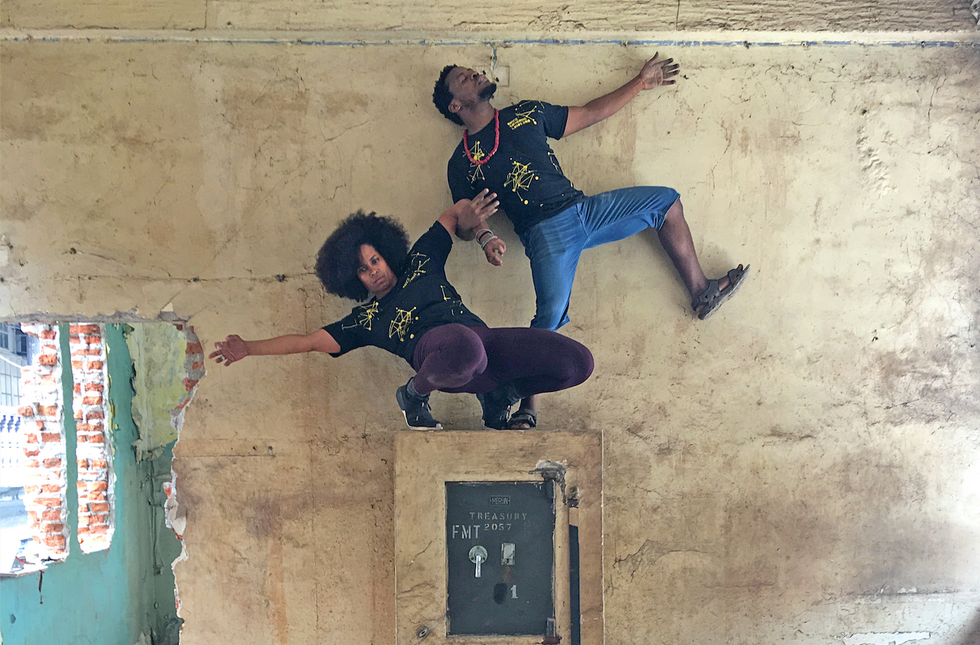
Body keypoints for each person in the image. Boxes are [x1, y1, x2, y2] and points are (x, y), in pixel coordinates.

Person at [432, 53, 749, 429]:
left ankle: (702, 291)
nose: (476, 73)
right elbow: (467, 224)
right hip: (544, 233)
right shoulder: (463, 162)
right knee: (547, 319)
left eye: (473, 71)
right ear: (455, 104)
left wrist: (640, 82)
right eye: (465, 78)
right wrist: (480, 234)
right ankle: (523, 404)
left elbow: (589, 113)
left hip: (586, 210)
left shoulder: (525, 113)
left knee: (666, 202)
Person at [208, 193, 594, 431]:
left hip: (485, 346)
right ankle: (412, 397)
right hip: (444, 354)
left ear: (385, 254)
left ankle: (500, 395)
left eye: (374, 259)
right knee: (465, 347)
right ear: (352, 278)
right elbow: (308, 342)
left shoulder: (422, 260)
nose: (372, 270)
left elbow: (457, 209)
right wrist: (249, 347)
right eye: (362, 268)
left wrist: (484, 234)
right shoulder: (366, 320)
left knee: (577, 361)